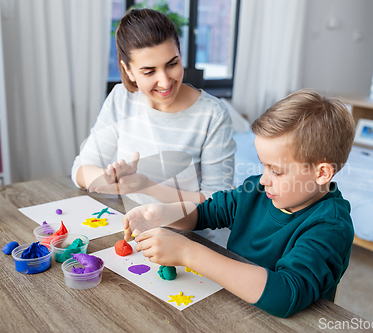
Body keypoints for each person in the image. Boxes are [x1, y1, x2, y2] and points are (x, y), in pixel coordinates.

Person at [122, 89, 356, 318]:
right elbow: (206, 213)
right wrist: (162, 214)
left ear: (322, 173)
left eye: (276, 171)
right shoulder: (256, 189)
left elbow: (286, 294)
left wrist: (187, 253)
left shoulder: (331, 225)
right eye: (263, 165)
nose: (264, 179)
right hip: (232, 307)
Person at [71, 9, 236, 245]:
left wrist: (146, 186)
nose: (165, 81)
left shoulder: (212, 114)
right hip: (135, 234)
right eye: (149, 71)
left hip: (193, 240)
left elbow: (217, 203)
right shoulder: (121, 98)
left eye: (172, 64)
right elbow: (80, 170)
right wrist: (113, 179)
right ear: (128, 70)